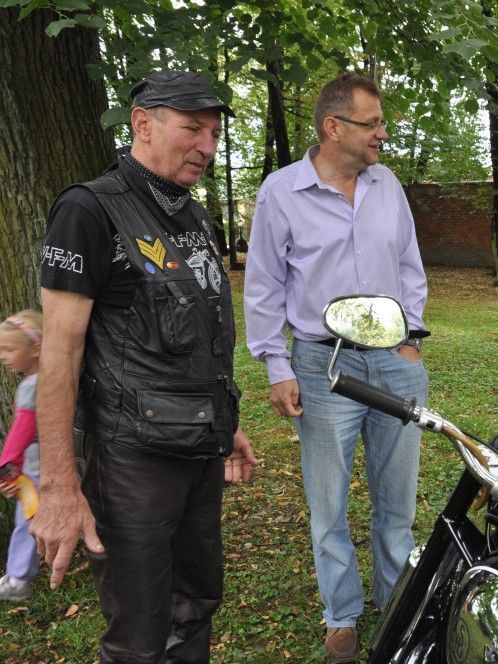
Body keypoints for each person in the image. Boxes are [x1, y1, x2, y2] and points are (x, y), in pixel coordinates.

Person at [30, 71, 257, 663]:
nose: (206, 147)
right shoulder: (89, 211)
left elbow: (195, 340)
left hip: (198, 450)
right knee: (139, 631)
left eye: (212, 133)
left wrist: (224, 422)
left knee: (197, 602)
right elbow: (59, 353)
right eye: (191, 129)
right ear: (142, 124)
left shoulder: (193, 218)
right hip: (131, 461)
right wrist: (58, 486)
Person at [244, 72, 428, 662]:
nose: (382, 132)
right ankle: (341, 615)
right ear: (333, 127)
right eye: (371, 123)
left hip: (394, 363)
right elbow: (265, 285)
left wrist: (411, 338)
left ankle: (397, 600)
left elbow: (408, 264)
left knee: (396, 499)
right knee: (329, 504)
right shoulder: (281, 192)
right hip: (323, 367)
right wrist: (277, 365)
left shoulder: (387, 184)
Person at [0, 311, 43, 602]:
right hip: (54, 460)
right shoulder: (52, 376)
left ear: (36, 349)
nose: (3, 356)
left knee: (27, 521)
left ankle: (18, 580)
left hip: (35, 469)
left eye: (9, 349)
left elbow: (19, 436)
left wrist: (6, 471)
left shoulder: (31, 386)